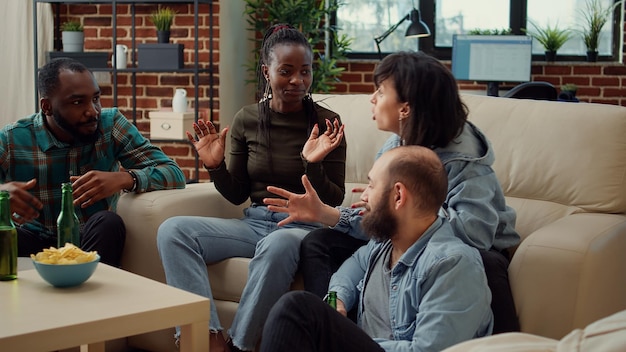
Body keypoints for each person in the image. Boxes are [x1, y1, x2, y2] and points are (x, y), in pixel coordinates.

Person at [265, 51, 521, 333]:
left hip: (469, 245)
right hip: (401, 237)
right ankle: (336, 331)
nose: (372, 98)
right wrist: (328, 214)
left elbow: (476, 235)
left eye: (381, 91)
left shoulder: (464, 158)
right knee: (318, 243)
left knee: (485, 263)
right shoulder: (393, 147)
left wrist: (407, 209)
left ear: (405, 108)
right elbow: (381, 221)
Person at [156, 24, 346, 352]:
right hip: (256, 222)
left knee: (278, 244)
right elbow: (237, 192)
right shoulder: (247, 119)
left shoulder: (327, 123)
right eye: (286, 71)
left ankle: (239, 347)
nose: (297, 81)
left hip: (302, 228)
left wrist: (312, 164)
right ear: (267, 71)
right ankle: (206, 340)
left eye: (305, 72)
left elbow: (335, 198)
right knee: (173, 231)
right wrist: (214, 165)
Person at [261, 145, 493, 352]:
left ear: (398, 196)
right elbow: (352, 266)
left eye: (371, 185)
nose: (364, 195)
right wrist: (338, 298)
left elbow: (427, 349)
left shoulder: (453, 265)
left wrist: (338, 339)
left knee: (297, 309)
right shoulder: (385, 245)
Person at [0, 57, 186, 267]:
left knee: (108, 222)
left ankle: (96, 297)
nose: (93, 111)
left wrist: (125, 178)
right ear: (47, 106)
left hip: (92, 240)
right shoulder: (13, 138)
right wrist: (3, 192)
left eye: (96, 98)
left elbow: (173, 173)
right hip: (33, 242)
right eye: (78, 102)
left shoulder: (111, 124)